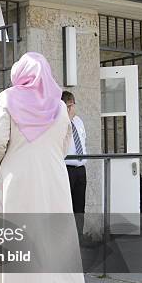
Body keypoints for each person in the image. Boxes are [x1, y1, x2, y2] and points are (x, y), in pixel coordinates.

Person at [0, 52, 88, 283]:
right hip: (53, 180)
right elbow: (65, 141)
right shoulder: (58, 105)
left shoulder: (8, 98)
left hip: (17, 181)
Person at [63, 91, 87, 238]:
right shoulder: (60, 122)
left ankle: (79, 237)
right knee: (67, 207)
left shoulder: (78, 121)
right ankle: (67, 240)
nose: (73, 107)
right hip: (66, 168)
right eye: (71, 105)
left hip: (80, 169)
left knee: (80, 206)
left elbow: (83, 141)